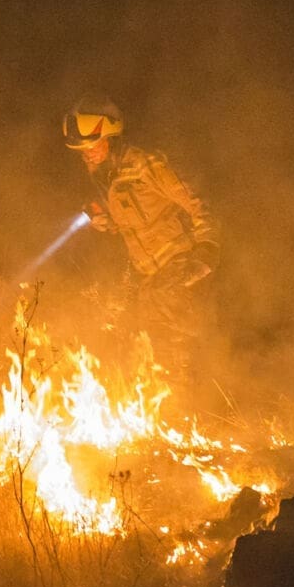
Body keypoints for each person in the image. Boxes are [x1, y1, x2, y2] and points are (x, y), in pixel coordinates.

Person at [63, 94, 220, 397]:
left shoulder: (147, 164)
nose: (87, 155)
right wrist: (104, 219)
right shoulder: (105, 177)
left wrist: (207, 249)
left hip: (181, 263)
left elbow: (198, 202)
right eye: (81, 151)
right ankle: (168, 415)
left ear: (112, 137)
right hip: (149, 275)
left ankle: (181, 414)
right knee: (145, 345)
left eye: (92, 147)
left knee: (171, 343)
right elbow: (132, 222)